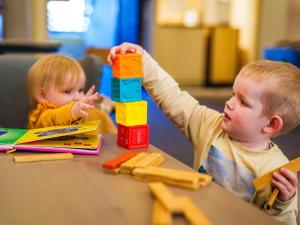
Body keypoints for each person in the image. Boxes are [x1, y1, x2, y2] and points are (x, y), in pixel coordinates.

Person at [108, 42, 299, 225]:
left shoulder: (277, 170)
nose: (229, 103)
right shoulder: (211, 125)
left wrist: (283, 202)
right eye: (233, 94)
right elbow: (173, 97)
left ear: (271, 124)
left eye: (243, 102)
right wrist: (143, 60)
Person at [27, 54, 116, 134]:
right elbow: (54, 119)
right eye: (67, 91)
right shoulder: (41, 117)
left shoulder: (82, 108)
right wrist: (72, 111)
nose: (77, 97)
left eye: (80, 90)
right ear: (42, 95)